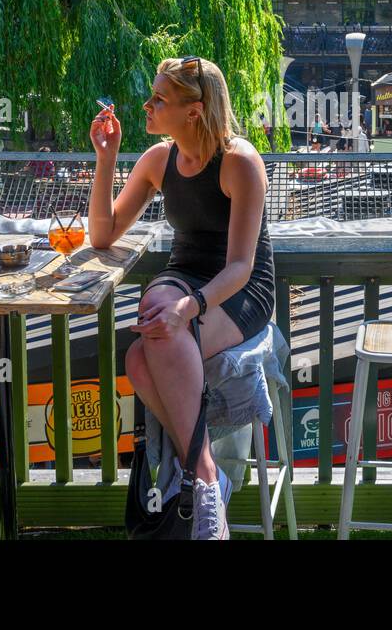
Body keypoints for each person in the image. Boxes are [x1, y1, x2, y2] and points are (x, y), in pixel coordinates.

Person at [88, 55, 275, 540]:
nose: (146, 106)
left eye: (159, 100)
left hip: (240, 290)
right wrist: (106, 158)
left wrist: (188, 308)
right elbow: (103, 235)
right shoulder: (158, 160)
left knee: (140, 356)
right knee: (148, 334)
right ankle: (207, 481)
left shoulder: (239, 162)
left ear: (194, 110)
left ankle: (198, 486)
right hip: (186, 274)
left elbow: (241, 266)